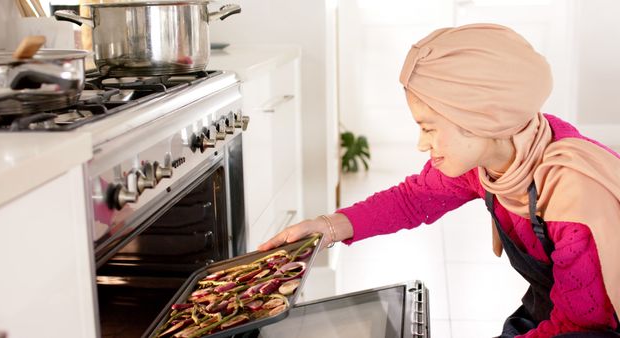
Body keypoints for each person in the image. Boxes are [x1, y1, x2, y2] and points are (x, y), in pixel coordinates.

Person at [258, 23, 620, 337]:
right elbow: (412, 199)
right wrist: (326, 228)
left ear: (483, 119)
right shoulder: (496, 155)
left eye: (429, 128)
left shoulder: (573, 194)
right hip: (552, 314)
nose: (421, 143)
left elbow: (581, 326)